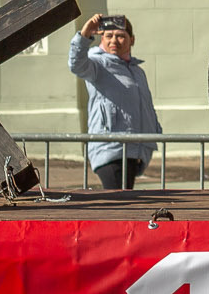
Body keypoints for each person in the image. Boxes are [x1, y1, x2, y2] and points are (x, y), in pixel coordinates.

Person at [68, 13, 160, 191]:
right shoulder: (97, 63)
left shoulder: (137, 71)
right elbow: (76, 64)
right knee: (121, 209)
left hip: (135, 149)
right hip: (111, 148)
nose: (114, 41)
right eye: (108, 36)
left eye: (120, 36)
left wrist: (155, 130)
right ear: (101, 39)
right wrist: (85, 34)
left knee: (127, 205)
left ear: (131, 40)